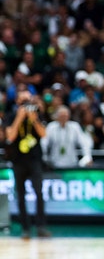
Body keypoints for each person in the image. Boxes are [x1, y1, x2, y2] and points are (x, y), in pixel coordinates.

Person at [4, 87, 51, 239]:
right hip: (18, 161)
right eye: (22, 102)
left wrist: (34, 119)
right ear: (17, 102)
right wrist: (19, 118)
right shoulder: (11, 116)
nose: (25, 105)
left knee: (39, 193)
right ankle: (25, 228)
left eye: (27, 101)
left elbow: (44, 134)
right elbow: (9, 137)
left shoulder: (37, 114)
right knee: (21, 195)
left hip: (35, 160)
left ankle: (41, 227)